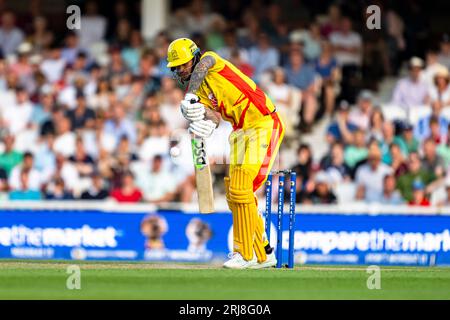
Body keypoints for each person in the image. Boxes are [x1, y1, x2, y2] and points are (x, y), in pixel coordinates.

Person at [167, 38, 284, 269]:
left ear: (195, 56)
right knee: (236, 192)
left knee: (241, 188)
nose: (181, 70)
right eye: (177, 67)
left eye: (184, 63)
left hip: (263, 123)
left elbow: (203, 65)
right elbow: (214, 116)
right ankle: (264, 252)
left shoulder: (211, 61)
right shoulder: (198, 92)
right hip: (240, 131)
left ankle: (244, 253)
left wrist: (189, 96)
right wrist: (202, 121)